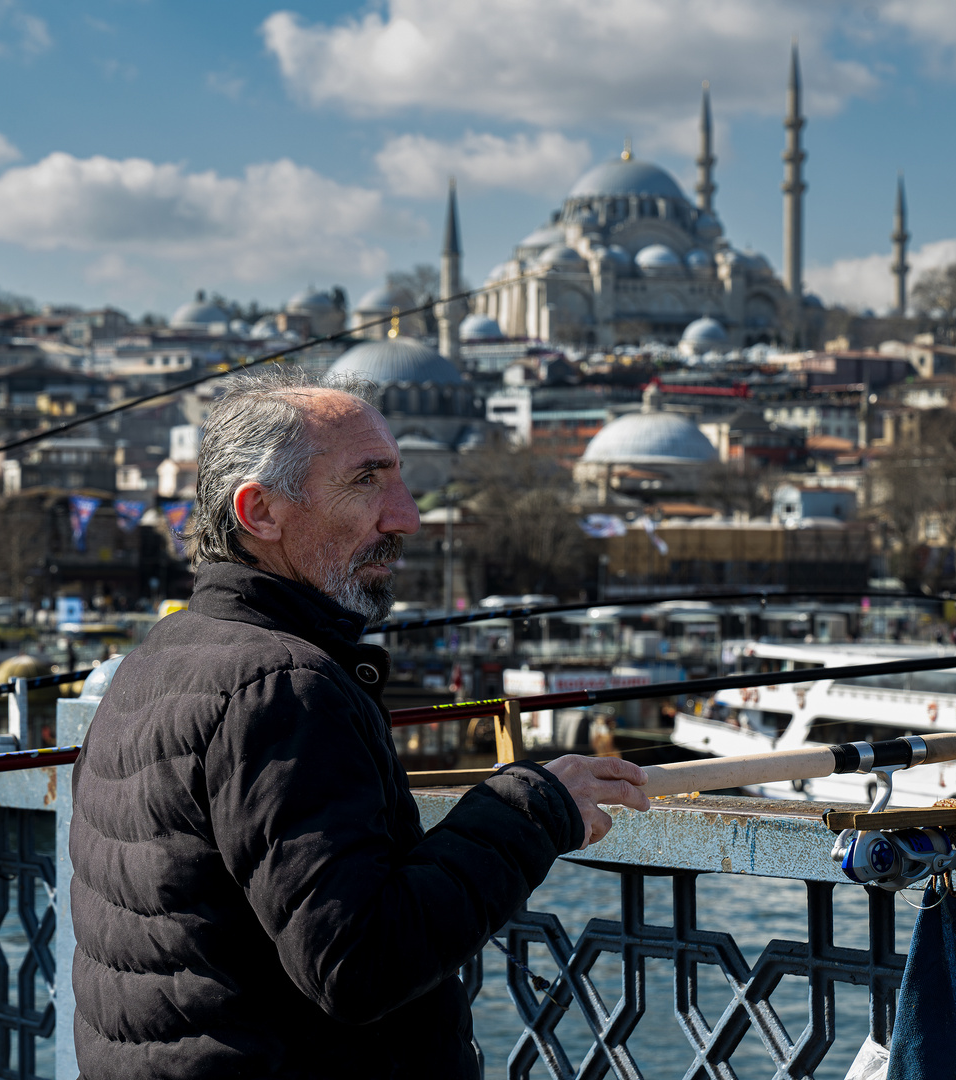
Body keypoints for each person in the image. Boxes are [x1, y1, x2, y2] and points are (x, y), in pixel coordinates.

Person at [69, 370, 649, 1079]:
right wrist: (529, 811)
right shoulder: (280, 688)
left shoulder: (155, 660)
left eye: (399, 480)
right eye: (367, 481)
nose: (404, 516)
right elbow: (357, 961)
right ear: (260, 513)